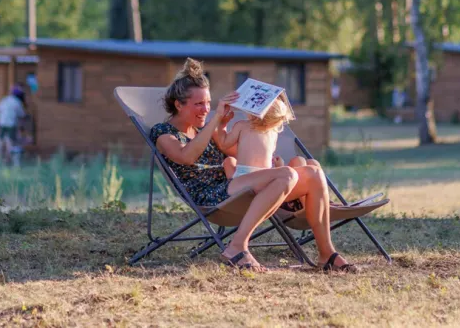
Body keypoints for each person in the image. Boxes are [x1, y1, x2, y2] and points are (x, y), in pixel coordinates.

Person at [151, 58, 359, 273]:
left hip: (236, 185)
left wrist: (227, 127)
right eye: (198, 104)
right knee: (286, 175)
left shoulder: (207, 128)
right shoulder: (163, 133)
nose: (206, 109)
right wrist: (215, 121)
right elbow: (186, 157)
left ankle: (326, 254)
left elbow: (240, 156)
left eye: (208, 103)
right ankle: (237, 246)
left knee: (314, 173)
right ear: (178, 104)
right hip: (213, 196)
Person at [0, 85, 26, 165]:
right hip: (11, 124)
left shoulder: (5, 99)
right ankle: (7, 159)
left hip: (2, 122)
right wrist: (21, 126)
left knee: (0, 140)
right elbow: (22, 115)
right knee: (10, 141)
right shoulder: (17, 102)